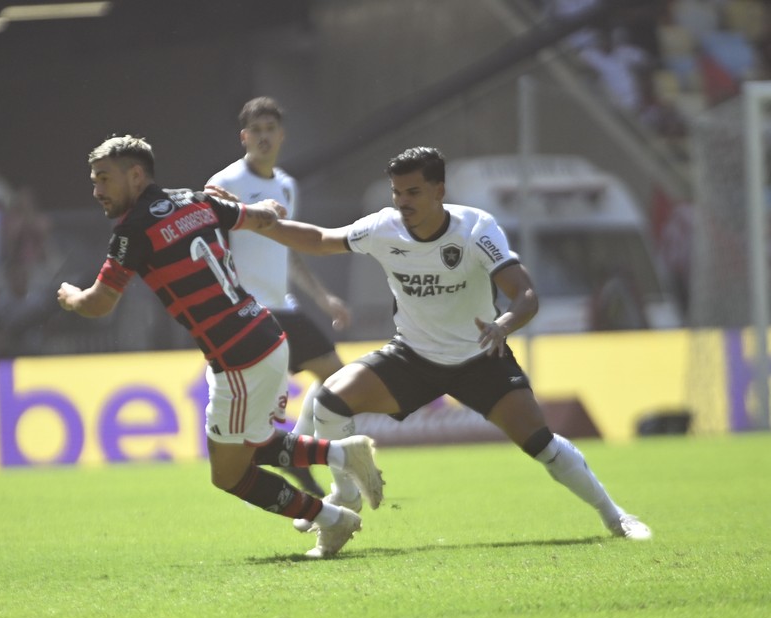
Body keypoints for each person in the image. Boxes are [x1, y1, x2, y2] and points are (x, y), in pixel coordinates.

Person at [242, 146, 652, 541]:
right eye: (397, 192)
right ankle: (346, 495)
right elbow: (319, 240)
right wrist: (257, 221)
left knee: (541, 445)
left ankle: (617, 517)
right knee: (329, 401)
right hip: (413, 357)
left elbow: (525, 294)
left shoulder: (475, 228)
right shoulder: (383, 227)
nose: (403, 202)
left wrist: (503, 325)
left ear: (439, 190)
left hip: (480, 356)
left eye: (413, 192)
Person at [56, 134, 384, 558]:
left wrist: (71, 297)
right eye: (94, 180)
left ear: (136, 176)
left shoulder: (133, 230)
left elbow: (100, 303)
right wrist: (269, 209)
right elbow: (257, 219)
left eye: (104, 178)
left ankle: (332, 519)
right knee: (256, 444)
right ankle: (344, 455)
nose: (97, 190)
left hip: (239, 356)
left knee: (229, 475)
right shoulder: (195, 199)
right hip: (264, 334)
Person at [206, 96, 351, 499]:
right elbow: (210, 246)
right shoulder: (224, 183)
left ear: (282, 135)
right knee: (257, 415)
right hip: (247, 311)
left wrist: (323, 298)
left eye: (270, 129)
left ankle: (297, 450)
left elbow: (288, 249)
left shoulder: (287, 185)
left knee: (338, 379)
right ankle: (293, 463)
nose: (264, 137)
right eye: (256, 131)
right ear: (244, 137)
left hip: (283, 306)